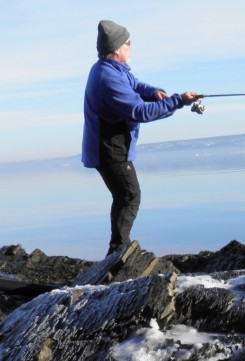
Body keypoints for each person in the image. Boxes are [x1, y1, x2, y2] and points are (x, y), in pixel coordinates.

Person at [82, 20, 202, 255]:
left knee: (123, 196)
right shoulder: (107, 78)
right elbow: (140, 112)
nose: (131, 45)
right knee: (129, 195)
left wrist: (153, 92)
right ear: (116, 49)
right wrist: (178, 101)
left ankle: (118, 248)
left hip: (111, 145)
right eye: (128, 42)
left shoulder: (111, 69)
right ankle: (119, 250)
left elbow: (135, 85)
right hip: (108, 148)